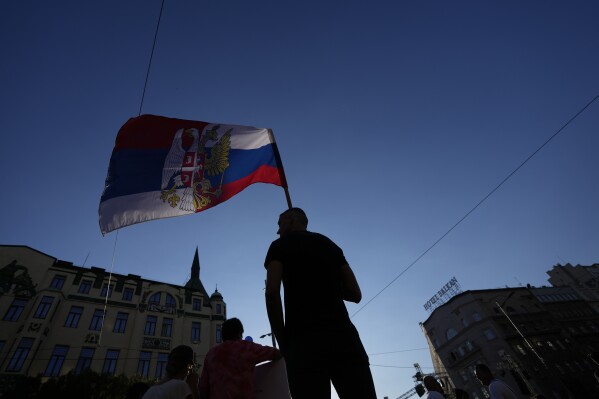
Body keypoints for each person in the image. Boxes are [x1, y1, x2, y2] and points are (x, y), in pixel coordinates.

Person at [264, 207, 377, 399]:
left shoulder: (279, 245)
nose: (277, 230)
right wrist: (327, 282)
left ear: (292, 220)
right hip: (344, 339)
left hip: (302, 344)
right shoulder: (330, 245)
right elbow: (355, 294)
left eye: (280, 223)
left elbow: (272, 292)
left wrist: (283, 340)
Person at [199, 317, 282, 399]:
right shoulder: (246, 348)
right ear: (239, 333)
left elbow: (203, 387)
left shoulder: (211, 354)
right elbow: (275, 353)